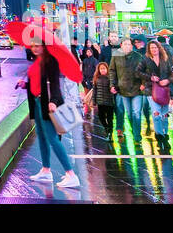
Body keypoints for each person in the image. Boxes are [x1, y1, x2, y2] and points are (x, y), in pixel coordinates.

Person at [18, 36, 80, 190]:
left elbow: (55, 84)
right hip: (37, 103)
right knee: (43, 137)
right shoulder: (37, 61)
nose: (34, 48)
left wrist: (54, 101)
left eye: (38, 45)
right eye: (32, 45)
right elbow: (37, 82)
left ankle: (71, 175)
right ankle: (46, 171)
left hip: (48, 104)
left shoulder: (50, 62)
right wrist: (25, 84)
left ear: (44, 46)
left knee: (52, 138)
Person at [108, 37, 146, 139]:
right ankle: (134, 129)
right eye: (125, 44)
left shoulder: (138, 56)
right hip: (122, 89)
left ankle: (137, 135)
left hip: (137, 89)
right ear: (121, 45)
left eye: (129, 44)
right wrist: (112, 84)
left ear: (132, 46)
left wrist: (143, 83)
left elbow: (144, 70)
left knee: (136, 113)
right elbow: (112, 71)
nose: (127, 46)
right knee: (129, 114)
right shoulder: (116, 55)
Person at [141, 39, 173, 153]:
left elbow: (171, 74)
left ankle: (165, 134)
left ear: (159, 48)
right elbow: (138, 72)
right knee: (156, 115)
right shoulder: (145, 59)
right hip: (151, 90)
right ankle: (159, 137)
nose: (154, 50)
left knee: (164, 115)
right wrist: (150, 77)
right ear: (149, 50)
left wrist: (167, 81)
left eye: (155, 47)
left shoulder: (165, 59)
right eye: (151, 48)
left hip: (164, 90)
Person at [89, 60, 115, 133]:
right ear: (99, 70)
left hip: (109, 102)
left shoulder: (110, 78)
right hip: (100, 102)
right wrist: (94, 101)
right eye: (101, 69)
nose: (103, 70)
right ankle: (106, 128)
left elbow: (113, 88)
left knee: (110, 118)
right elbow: (94, 91)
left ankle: (110, 132)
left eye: (104, 68)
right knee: (101, 117)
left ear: (107, 69)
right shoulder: (96, 79)